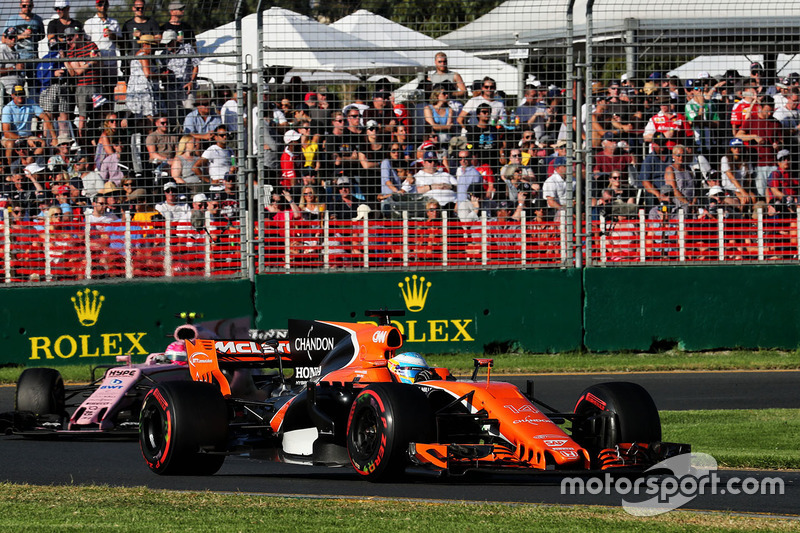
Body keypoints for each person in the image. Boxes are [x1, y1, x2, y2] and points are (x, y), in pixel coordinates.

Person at [735, 102, 782, 199]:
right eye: (767, 111)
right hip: (757, 163)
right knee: (760, 193)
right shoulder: (752, 120)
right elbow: (738, 136)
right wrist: (754, 137)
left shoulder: (776, 123)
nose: (769, 114)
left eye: (771, 111)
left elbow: (782, 142)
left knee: (773, 193)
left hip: (773, 163)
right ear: (760, 108)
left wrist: (778, 146)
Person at [2, 85, 55, 171]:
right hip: (11, 137)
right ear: (12, 95)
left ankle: (33, 165)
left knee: (42, 143)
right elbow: (6, 133)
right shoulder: (7, 109)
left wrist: (54, 137)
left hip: (27, 136)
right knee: (10, 144)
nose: (20, 96)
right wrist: (23, 138)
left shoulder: (30, 102)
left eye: (22, 94)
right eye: (17, 94)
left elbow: (45, 116)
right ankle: (9, 169)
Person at [63, 27, 100, 139]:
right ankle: (82, 143)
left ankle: (95, 141)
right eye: (66, 39)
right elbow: (77, 71)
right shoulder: (70, 52)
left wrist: (83, 64)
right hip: (82, 87)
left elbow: (99, 62)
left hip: (96, 85)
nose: (68, 41)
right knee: (82, 117)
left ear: (77, 36)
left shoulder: (91, 45)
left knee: (99, 115)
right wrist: (90, 62)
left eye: (70, 38)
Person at [157, 29, 199, 123]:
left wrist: (191, 81)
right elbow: (161, 72)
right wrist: (164, 75)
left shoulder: (187, 49)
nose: (167, 46)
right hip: (171, 89)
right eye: (165, 44)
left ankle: (190, 134)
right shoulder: (163, 55)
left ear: (175, 40)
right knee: (173, 115)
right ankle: (175, 135)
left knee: (190, 112)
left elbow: (196, 66)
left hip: (187, 88)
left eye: (169, 43)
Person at [4, 0, 45, 94]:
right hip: (18, 58)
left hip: (33, 58)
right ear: (20, 5)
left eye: (29, 6)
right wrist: (22, 36)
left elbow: (42, 35)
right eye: (24, 5)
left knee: (34, 86)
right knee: (18, 87)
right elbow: (4, 39)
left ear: (33, 6)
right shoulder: (12, 19)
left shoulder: (37, 20)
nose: (27, 8)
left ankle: (33, 105)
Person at [83, 0, 120, 96]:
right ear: (96, 6)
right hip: (96, 63)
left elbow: (121, 42)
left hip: (111, 62)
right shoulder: (89, 22)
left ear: (108, 5)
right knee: (96, 90)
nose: (102, 7)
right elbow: (85, 43)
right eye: (100, 4)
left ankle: (110, 110)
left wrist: (113, 35)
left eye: (105, 4)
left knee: (110, 90)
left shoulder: (114, 22)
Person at [120, 1, 159, 77]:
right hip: (132, 61)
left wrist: (143, 37)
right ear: (133, 8)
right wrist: (123, 61)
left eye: (142, 8)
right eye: (138, 8)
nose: (140, 10)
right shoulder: (128, 24)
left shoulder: (152, 22)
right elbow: (122, 44)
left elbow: (159, 38)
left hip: (149, 60)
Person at [125, 34, 157, 122]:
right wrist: (162, 75)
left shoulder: (136, 55)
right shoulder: (144, 56)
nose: (153, 48)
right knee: (148, 115)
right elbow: (147, 73)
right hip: (144, 91)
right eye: (151, 45)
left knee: (137, 116)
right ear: (144, 45)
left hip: (134, 91)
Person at [194, 125, 233, 192]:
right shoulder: (212, 150)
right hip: (218, 189)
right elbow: (195, 167)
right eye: (222, 135)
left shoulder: (230, 150)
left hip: (230, 188)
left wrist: (234, 168)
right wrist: (210, 181)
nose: (225, 137)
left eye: (226, 134)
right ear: (215, 137)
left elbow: (233, 164)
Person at [95, 112, 124, 185]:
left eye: (116, 121)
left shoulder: (118, 133)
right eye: (112, 121)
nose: (114, 123)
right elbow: (110, 152)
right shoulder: (105, 135)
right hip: (103, 160)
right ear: (107, 123)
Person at [0, 27, 24, 105]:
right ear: (6, 38)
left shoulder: (16, 52)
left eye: (15, 37)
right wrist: (14, 68)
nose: (13, 40)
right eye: (10, 37)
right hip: (7, 91)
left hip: (18, 88)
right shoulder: (2, 50)